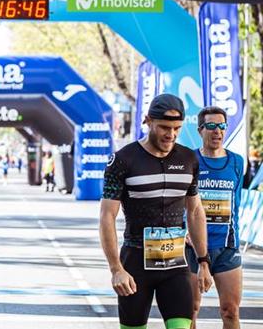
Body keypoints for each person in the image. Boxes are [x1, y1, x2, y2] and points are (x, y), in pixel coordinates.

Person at [99, 94, 213, 329]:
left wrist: (203, 262)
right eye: (164, 127)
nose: (170, 134)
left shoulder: (189, 159)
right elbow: (107, 216)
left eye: (177, 128)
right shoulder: (122, 160)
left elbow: (195, 212)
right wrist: (115, 269)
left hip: (175, 265)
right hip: (135, 263)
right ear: (147, 121)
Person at [187, 106, 244, 329]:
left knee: (230, 311)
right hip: (192, 247)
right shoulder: (188, 159)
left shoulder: (237, 162)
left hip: (226, 247)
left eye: (221, 126)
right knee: (189, 310)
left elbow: (236, 204)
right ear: (200, 129)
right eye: (211, 126)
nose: (217, 131)